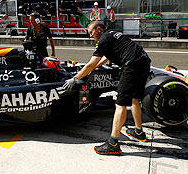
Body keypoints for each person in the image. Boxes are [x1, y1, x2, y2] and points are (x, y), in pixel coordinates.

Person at [62, 21, 151, 155]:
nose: (91, 36)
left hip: (131, 66)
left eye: (91, 32)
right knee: (134, 99)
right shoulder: (112, 34)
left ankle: (113, 143)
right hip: (143, 62)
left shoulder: (103, 39)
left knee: (120, 104)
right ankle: (139, 132)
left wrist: (75, 78)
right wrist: (94, 66)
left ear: (98, 29)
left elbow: (91, 64)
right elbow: (104, 58)